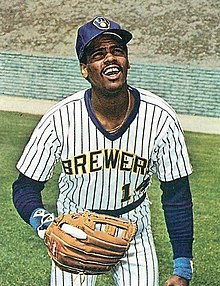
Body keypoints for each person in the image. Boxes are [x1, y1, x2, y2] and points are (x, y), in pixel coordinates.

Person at [12, 16, 194, 286]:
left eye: (117, 51)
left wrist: (182, 266)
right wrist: (47, 224)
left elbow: (177, 194)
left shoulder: (160, 117)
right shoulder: (59, 119)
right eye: (98, 54)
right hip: (75, 227)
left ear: (127, 61)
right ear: (85, 69)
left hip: (134, 228)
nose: (110, 58)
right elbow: (25, 187)